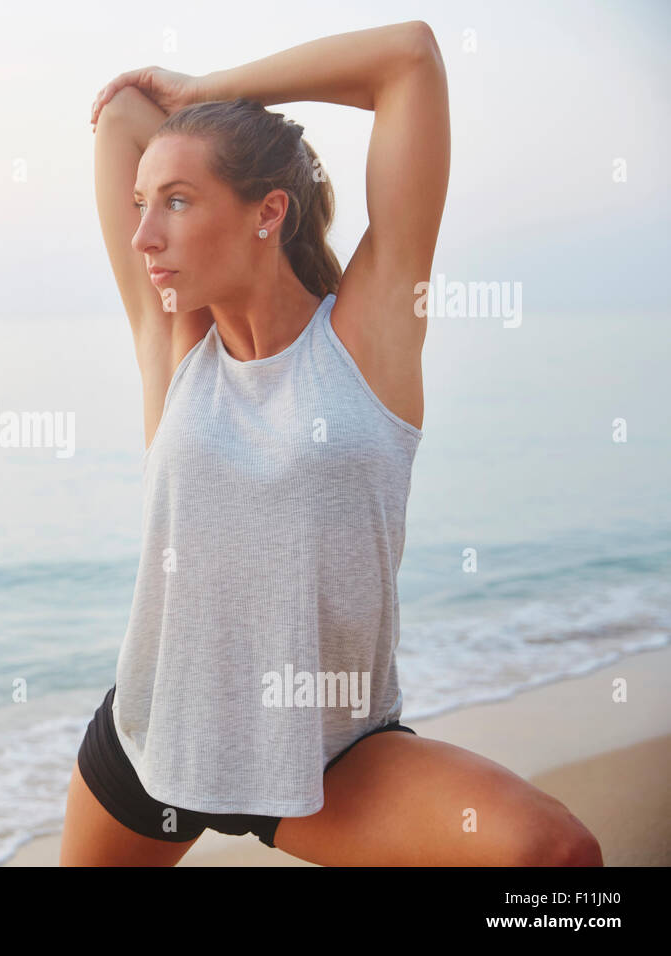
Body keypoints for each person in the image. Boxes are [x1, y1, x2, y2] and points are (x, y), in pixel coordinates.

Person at [60, 21, 602, 866]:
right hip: (153, 742)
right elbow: (126, 111)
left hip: (327, 760)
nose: (143, 238)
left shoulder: (367, 340)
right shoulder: (174, 348)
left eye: (176, 202)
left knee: (555, 857)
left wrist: (211, 88)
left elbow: (409, 58)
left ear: (267, 212)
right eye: (141, 205)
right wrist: (184, 130)